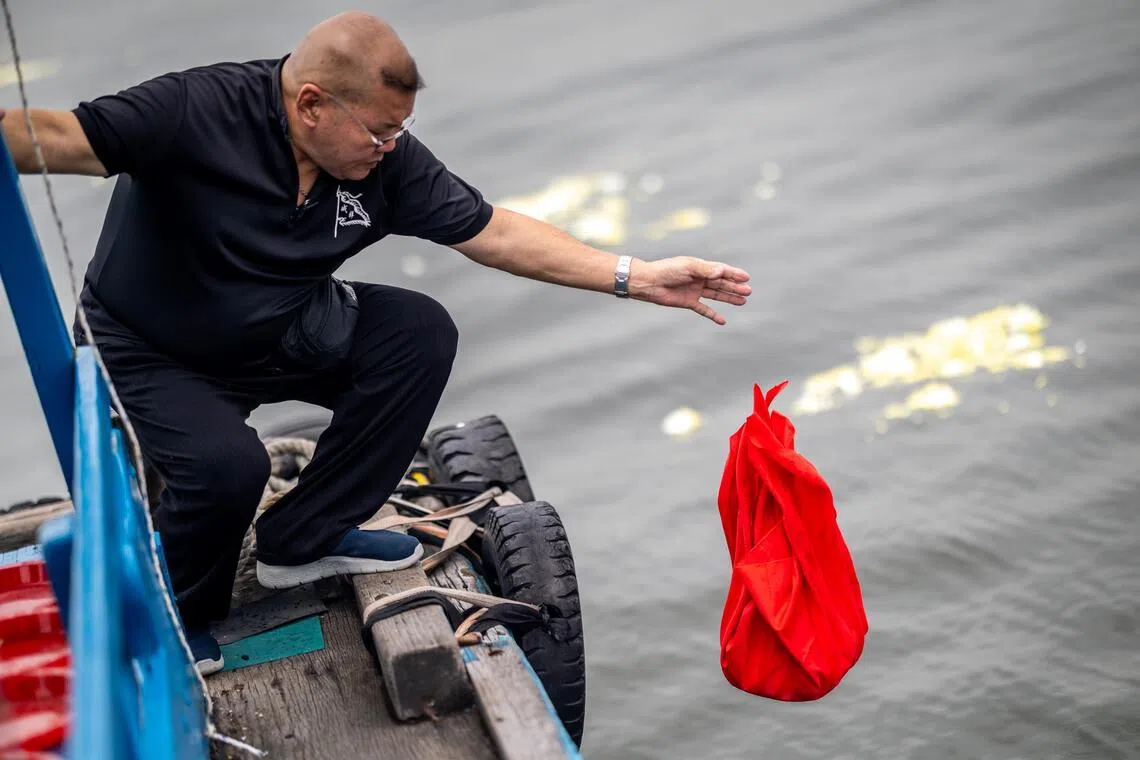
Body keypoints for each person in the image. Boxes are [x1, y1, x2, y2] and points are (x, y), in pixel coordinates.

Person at [0, 12, 751, 675]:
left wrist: (635, 275)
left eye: (401, 130)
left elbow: (494, 231)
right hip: (148, 346)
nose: (391, 147)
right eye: (379, 130)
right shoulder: (196, 110)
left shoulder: (383, 163)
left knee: (418, 332)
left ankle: (304, 536)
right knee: (229, 467)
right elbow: (59, 137)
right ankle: (178, 617)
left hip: (278, 324)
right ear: (311, 104)